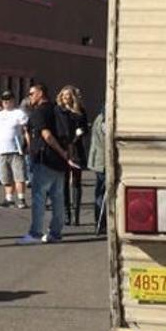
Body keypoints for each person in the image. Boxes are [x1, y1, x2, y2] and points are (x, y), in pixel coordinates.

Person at [17, 83, 77, 245]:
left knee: (39, 197)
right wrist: (66, 154)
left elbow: (47, 135)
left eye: (32, 93)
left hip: (45, 159)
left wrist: (60, 151)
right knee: (58, 198)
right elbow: (69, 133)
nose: (30, 97)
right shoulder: (57, 109)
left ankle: (35, 233)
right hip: (59, 163)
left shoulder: (39, 112)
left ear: (40, 93)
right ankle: (55, 233)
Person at [55, 86, 90, 226]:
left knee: (76, 181)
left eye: (68, 96)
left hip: (76, 148)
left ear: (73, 97)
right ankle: (66, 215)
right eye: (63, 96)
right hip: (63, 147)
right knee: (63, 182)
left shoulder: (80, 111)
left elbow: (86, 128)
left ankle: (76, 215)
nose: (65, 98)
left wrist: (82, 131)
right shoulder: (58, 111)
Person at [0, 90, 28, 209]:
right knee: (6, 177)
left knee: (19, 176)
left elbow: (26, 129)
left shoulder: (19, 113)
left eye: (9, 100)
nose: (6, 102)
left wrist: (28, 145)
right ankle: (9, 199)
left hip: (16, 150)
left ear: (13, 100)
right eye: (4, 100)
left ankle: (21, 199)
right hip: (2, 151)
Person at [87, 111, 106, 235]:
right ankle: (101, 223)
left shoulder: (98, 117)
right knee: (102, 193)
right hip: (103, 162)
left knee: (100, 193)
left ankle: (99, 222)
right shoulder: (104, 121)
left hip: (98, 161)